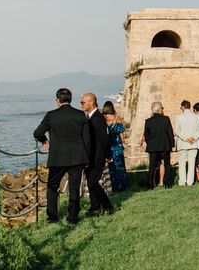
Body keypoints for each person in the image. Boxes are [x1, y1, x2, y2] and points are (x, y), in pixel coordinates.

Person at [33, 88, 90, 224]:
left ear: (57, 101)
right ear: (70, 100)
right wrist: (86, 158)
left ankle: (52, 217)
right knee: (74, 188)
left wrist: (44, 140)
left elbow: (37, 133)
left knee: (52, 186)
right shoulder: (81, 115)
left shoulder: (51, 115)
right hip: (77, 157)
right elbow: (87, 140)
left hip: (58, 157)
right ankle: (73, 217)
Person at [81, 93, 114, 216]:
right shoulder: (90, 117)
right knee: (91, 182)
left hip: (97, 156)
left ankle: (107, 205)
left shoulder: (98, 118)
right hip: (90, 156)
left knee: (92, 183)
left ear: (91, 102)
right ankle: (94, 208)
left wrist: (107, 154)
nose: (81, 105)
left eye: (83, 102)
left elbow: (104, 139)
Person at [140, 101, 174, 189]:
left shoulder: (148, 121)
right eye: (162, 108)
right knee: (167, 164)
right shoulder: (166, 119)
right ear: (159, 110)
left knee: (152, 166)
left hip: (153, 147)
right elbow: (170, 133)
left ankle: (150, 185)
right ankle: (167, 184)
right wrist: (172, 144)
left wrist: (150, 143)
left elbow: (146, 135)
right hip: (165, 146)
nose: (163, 110)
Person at [174, 100, 199, 186]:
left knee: (182, 163)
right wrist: (193, 138)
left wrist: (185, 138)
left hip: (183, 143)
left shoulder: (179, 117)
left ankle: (182, 182)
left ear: (183, 107)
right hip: (193, 143)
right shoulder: (197, 117)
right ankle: (190, 182)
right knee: (192, 163)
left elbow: (177, 131)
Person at [101, 101, 128, 193]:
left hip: (107, 146)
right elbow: (121, 133)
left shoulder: (102, 119)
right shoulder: (117, 119)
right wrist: (123, 142)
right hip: (117, 146)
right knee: (120, 167)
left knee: (110, 168)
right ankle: (122, 186)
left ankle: (112, 187)